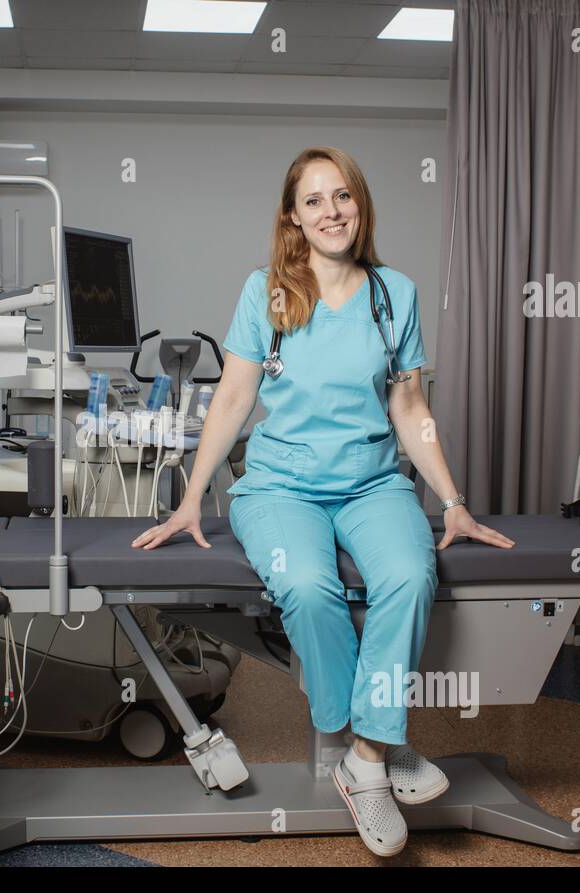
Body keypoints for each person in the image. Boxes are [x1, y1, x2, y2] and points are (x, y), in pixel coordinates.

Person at [131, 146, 514, 857]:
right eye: (313, 200)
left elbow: (409, 404)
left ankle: (366, 756)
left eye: (342, 196)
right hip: (280, 486)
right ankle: (373, 745)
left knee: (408, 574)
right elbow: (236, 397)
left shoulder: (392, 292)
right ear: (293, 216)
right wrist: (189, 499)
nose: (330, 211)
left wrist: (453, 501)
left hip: (371, 482)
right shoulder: (268, 291)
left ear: (359, 206)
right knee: (309, 586)